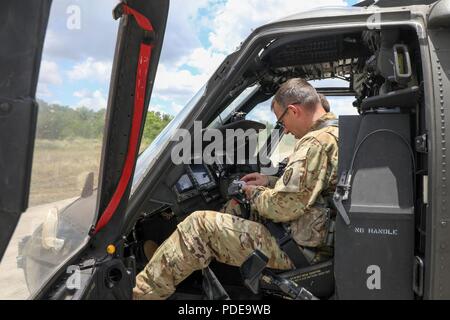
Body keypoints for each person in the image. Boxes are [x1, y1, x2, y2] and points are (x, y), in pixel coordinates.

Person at [133, 78, 339, 300]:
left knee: (198, 225)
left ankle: (143, 294)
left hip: (302, 250)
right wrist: (267, 182)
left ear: (293, 110)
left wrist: (253, 192)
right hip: (310, 236)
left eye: (282, 121)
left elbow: (282, 208)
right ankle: (181, 264)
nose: (285, 131)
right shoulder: (334, 133)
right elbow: (312, 189)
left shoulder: (315, 143)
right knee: (235, 205)